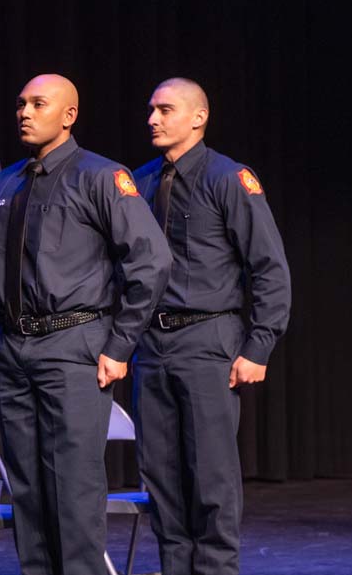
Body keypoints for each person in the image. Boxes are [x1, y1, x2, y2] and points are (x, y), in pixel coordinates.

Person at [0, 74, 171, 575]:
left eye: (38, 103)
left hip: (75, 346)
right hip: (18, 349)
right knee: (26, 485)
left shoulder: (102, 177)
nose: (24, 111)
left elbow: (150, 262)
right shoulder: (5, 182)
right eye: (20, 102)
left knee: (73, 486)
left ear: (68, 115)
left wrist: (121, 344)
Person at [133, 78, 291, 575]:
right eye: (151, 110)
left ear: (198, 117)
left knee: (211, 479)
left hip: (207, 340)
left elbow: (269, 267)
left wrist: (259, 345)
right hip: (151, 347)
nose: (153, 119)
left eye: (166, 109)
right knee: (161, 476)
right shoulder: (139, 181)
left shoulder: (228, 178)